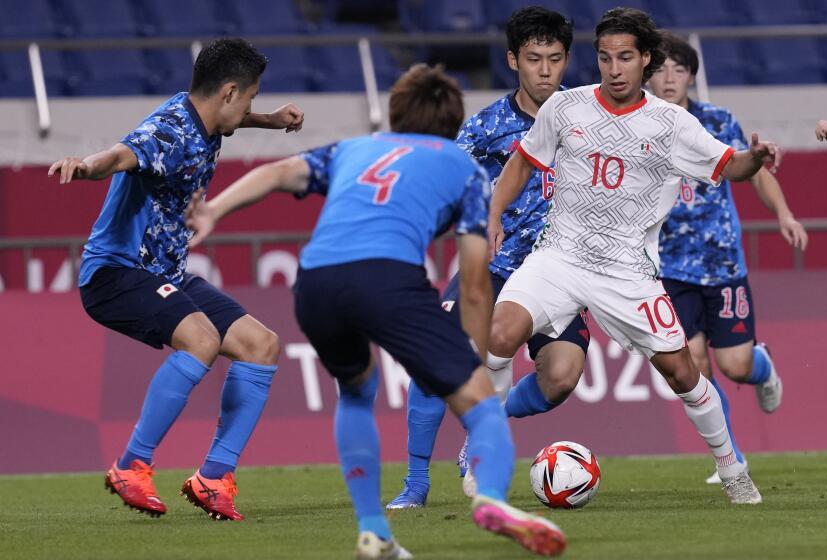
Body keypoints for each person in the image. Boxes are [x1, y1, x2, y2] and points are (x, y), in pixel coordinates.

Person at [186, 64, 567, 559]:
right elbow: (475, 282)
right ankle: (492, 500)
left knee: (357, 391)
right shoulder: (463, 168)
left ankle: (373, 531)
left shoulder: (357, 149)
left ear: (394, 114)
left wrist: (215, 209)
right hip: (387, 279)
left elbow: (278, 172)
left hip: (316, 283)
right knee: (480, 404)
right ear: (453, 126)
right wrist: (471, 351)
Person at [488, 7, 777, 505]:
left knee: (684, 373)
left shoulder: (671, 123)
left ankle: (732, 469)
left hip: (626, 271)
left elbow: (730, 166)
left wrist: (756, 157)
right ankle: (486, 454)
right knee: (498, 334)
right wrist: (495, 212)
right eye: (605, 57)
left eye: (625, 57)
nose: (614, 68)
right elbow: (524, 161)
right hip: (559, 257)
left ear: (646, 59)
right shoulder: (566, 107)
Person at [48, 38, 305, 521]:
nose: (250, 105)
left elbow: (232, 118)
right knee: (202, 338)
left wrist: (268, 119)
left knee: (261, 345)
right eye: (250, 97)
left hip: (166, 272)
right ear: (229, 91)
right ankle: (131, 466)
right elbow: (122, 154)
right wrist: (85, 169)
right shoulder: (169, 130)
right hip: (116, 273)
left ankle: (214, 478)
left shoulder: (203, 114)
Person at [387, 5, 590, 510]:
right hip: (493, 271)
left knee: (562, 376)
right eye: (533, 59)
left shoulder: (588, 118)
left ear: (567, 62)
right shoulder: (486, 126)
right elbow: (444, 180)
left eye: (555, 59)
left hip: (560, 274)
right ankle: (416, 484)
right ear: (512, 61)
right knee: (437, 365)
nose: (545, 70)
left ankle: (487, 425)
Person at [647, 32, 808, 483]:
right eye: (660, 69)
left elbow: (752, 173)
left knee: (736, 366)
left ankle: (764, 365)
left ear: (692, 78)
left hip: (722, 268)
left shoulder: (717, 121)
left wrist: (784, 213)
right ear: (647, 75)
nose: (669, 78)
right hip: (669, 271)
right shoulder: (639, 126)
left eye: (679, 70)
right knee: (693, 364)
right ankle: (730, 457)